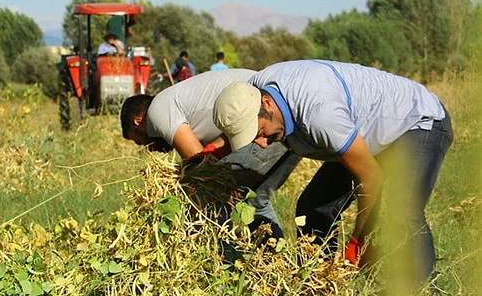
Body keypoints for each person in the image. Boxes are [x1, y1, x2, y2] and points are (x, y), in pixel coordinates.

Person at [212, 59, 453, 287]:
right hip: (364, 132)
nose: (262, 144)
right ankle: (321, 281)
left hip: (417, 121)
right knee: (313, 207)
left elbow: (371, 177)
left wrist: (359, 239)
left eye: (261, 132)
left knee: (403, 210)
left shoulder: (319, 114)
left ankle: (423, 287)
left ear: (266, 103)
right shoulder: (252, 93)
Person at [120, 69, 301, 248]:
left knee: (215, 198)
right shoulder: (181, 105)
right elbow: (216, 150)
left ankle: (224, 265)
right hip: (288, 117)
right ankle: (274, 264)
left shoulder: (157, 111)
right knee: (255, 201)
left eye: (139, 140)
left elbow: (202, 166)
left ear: (138, 121)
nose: (150, 149)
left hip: (267, 119)